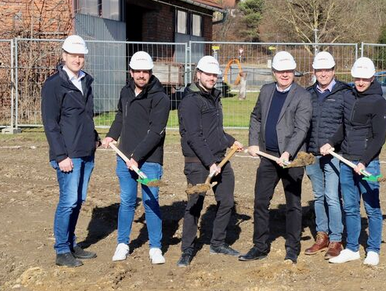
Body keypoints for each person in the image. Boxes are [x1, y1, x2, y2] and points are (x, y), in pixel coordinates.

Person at [240, 51, 312, 264]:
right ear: (274, 72)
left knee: (293, 204)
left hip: (293, 159)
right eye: (281, 71)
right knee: (261, 201)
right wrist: (253, 142)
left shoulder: (302, 96)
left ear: (294, 72)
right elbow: (255, 117)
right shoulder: (266, 90)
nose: (285, 74)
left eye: (288, 71)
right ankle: (260, 246)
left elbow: (301, 128)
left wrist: (288, 152)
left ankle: (292, 248)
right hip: (268, 157)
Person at [101, 51, 170, 265]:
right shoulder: (125, 92)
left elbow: (156, 132)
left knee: (151, 201)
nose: (141, 75)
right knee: (127, 201)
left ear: (150, 73)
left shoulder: (161, 98)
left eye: (145, 71)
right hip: (125, 158)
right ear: (130, 72)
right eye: (137, 71)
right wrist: (113, 134)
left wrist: (137, 157)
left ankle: (156, 247)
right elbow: (121, 116)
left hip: (149, 160)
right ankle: (122, 243)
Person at [321, 57, 386, 266]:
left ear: (372, 78)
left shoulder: (378, 102)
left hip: (367, 163)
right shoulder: (349, 97)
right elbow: (345, 127)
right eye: (357, 78)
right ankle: (352, 248)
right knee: (350, 207)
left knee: (372, 209)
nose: (360, 82)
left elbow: (379, 137)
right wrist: (331, 142)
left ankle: (373, 250)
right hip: (346, 161)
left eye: (364, 79)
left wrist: (365, 161)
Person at [177, 55, 243, 267]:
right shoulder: (190, 101)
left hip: (220, 160)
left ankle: (218, 242)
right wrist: (209, 163)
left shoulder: (214, 97)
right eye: (208, 74)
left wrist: (232, 141)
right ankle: (187, 250)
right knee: (194, 205)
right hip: (198, 162)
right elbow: (193, 135)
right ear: (198, 74)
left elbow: (216, 132)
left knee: (226, 202)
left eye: (214, 75)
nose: (212, 78)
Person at [42, 35, 100, 268]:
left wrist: (94, 138)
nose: (77, 59)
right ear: (64, 56)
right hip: (68, 154)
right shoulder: (54, 85)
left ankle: (71, 243)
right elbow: (50, 123)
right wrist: (61, 156)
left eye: (80, 56)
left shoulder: (86, 81)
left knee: (78, 201)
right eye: (73, 55)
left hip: (86, 151)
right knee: (68, 201)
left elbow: (85, 116)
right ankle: (62, 250)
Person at [303, 51, 351, 259]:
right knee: (318, 196)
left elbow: (347, 124)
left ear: (334, 71)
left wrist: (333, 143)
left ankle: (336, 239)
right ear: (314, 71)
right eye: (319, 70)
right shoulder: (307, 94)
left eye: (327, 70)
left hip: (334, 154)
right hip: (312, 154)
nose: (323, 74)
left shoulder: (344, 92)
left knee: (332, 196)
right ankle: (321, 236)